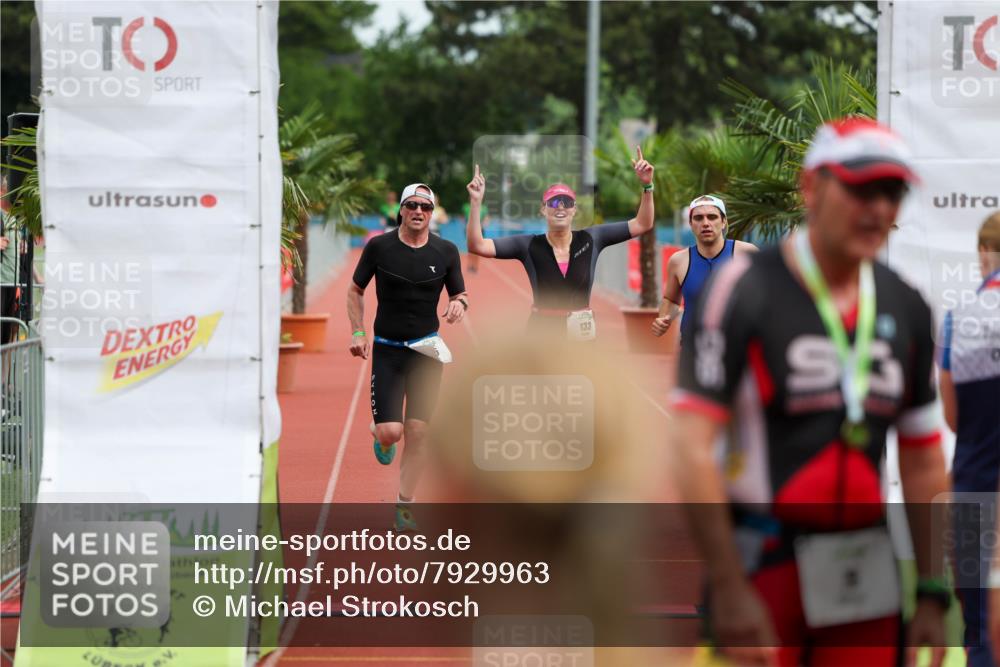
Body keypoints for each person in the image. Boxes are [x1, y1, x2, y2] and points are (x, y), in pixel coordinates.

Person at [670, 118, 949, 666]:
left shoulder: (905, 305)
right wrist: (726, 584)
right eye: (860, 189)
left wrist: (935, 590)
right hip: (763, 559)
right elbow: (690, 447)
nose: (877, 209)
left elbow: (922, 459)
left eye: (891, 193)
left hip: (865, 566)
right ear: (811, 188)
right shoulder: (745, 290)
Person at [347, 182, 468, 532]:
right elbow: (355, 290)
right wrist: (358, 332)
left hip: (427, 350)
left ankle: (405, 503)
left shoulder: (445, 251)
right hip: (387, 349)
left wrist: (459, 304)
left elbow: (460, 292)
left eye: (426, 207)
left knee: (419, 432)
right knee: (391, 432)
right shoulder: (379, 247)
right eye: (412, 205)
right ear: (401, 209)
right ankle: (379, 432)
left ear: (432, 213)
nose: (418, 212)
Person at [465, 147, 654, 339]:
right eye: (554, 202)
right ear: (543, 210)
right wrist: (475, 202)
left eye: (567, 202)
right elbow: (477, 245)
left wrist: (647, 186)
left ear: (574, 210)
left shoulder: (592, 238)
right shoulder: (528, 245)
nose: (561, 206)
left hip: (582, 336)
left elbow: (642, 223)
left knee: (584, 370)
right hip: (543, 335)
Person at [940, 212, 1000, 667]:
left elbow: (953, 418)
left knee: (979, 635)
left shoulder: (959, 319)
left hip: (977, 484)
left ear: (984, 252)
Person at [651, 195, 757, 344]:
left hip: (736, 348)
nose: (705, 223)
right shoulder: (679, 261)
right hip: (692, 348)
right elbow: (671, 300)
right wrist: (663, 319)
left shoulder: (746, 253)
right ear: (690, 223)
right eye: (698, 218)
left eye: (712, 217)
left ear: (724, 221)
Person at [462, 201, 490, 274]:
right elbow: (462, 217)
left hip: (480, 230)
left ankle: (475, 266)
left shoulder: (484, 208)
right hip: (469, 229)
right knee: (470, 248)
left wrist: (483, 224)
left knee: (477, 249)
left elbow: (486, 219)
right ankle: (470, 265)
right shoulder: (466, 206)